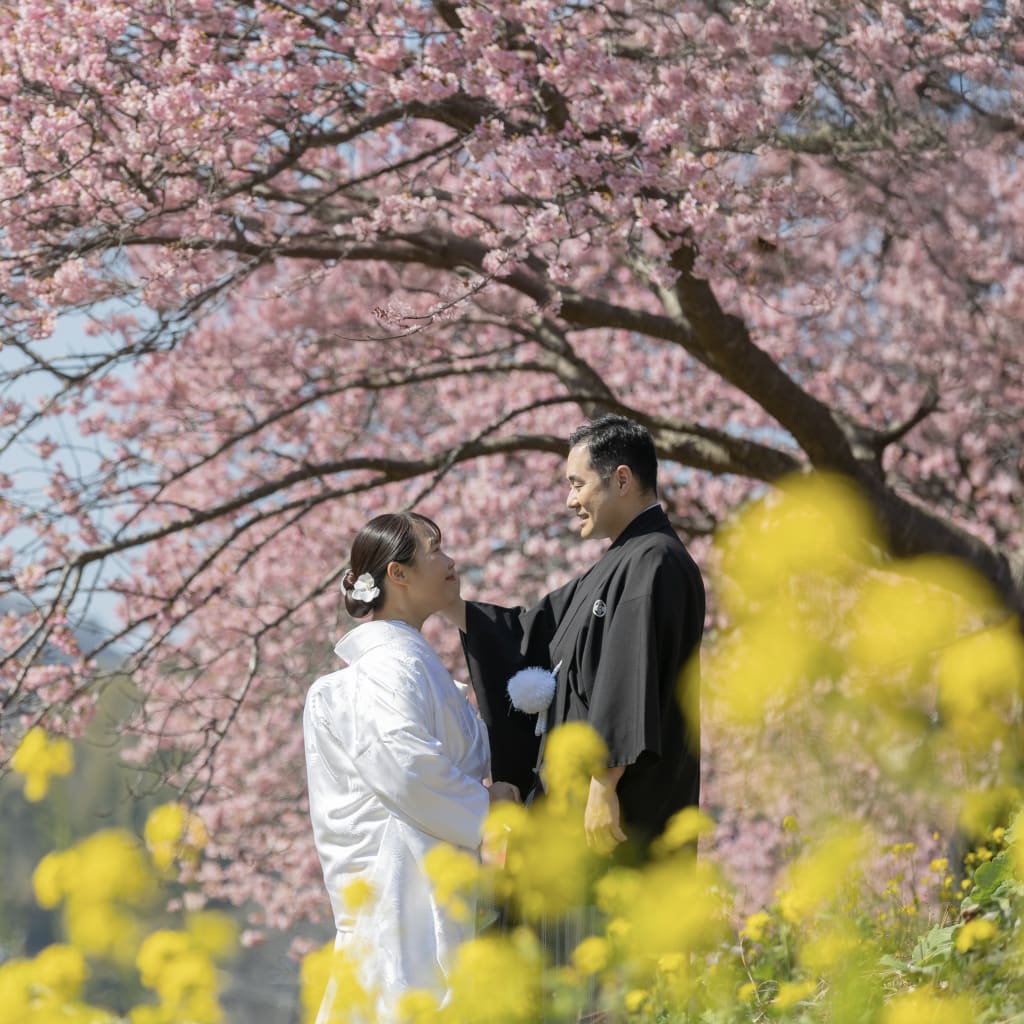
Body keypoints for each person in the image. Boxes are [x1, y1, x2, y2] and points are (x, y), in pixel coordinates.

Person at [442, 415, 705, 861]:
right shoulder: (619, 563)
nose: (569, 500)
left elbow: (629, 676)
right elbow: (533, 631)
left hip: (621, 806)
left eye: (577, 484)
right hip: (583, 805)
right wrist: (451, 605)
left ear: (621, 479)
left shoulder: (653, 560)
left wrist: (604, 785)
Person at [303, 512, 518, 1024]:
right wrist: (489, 802)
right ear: (398, 574)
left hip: (424, 901)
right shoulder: (386, 669)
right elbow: (404, 768)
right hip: (402, 909)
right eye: (435, 549)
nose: (450, 561)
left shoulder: (405, 665)